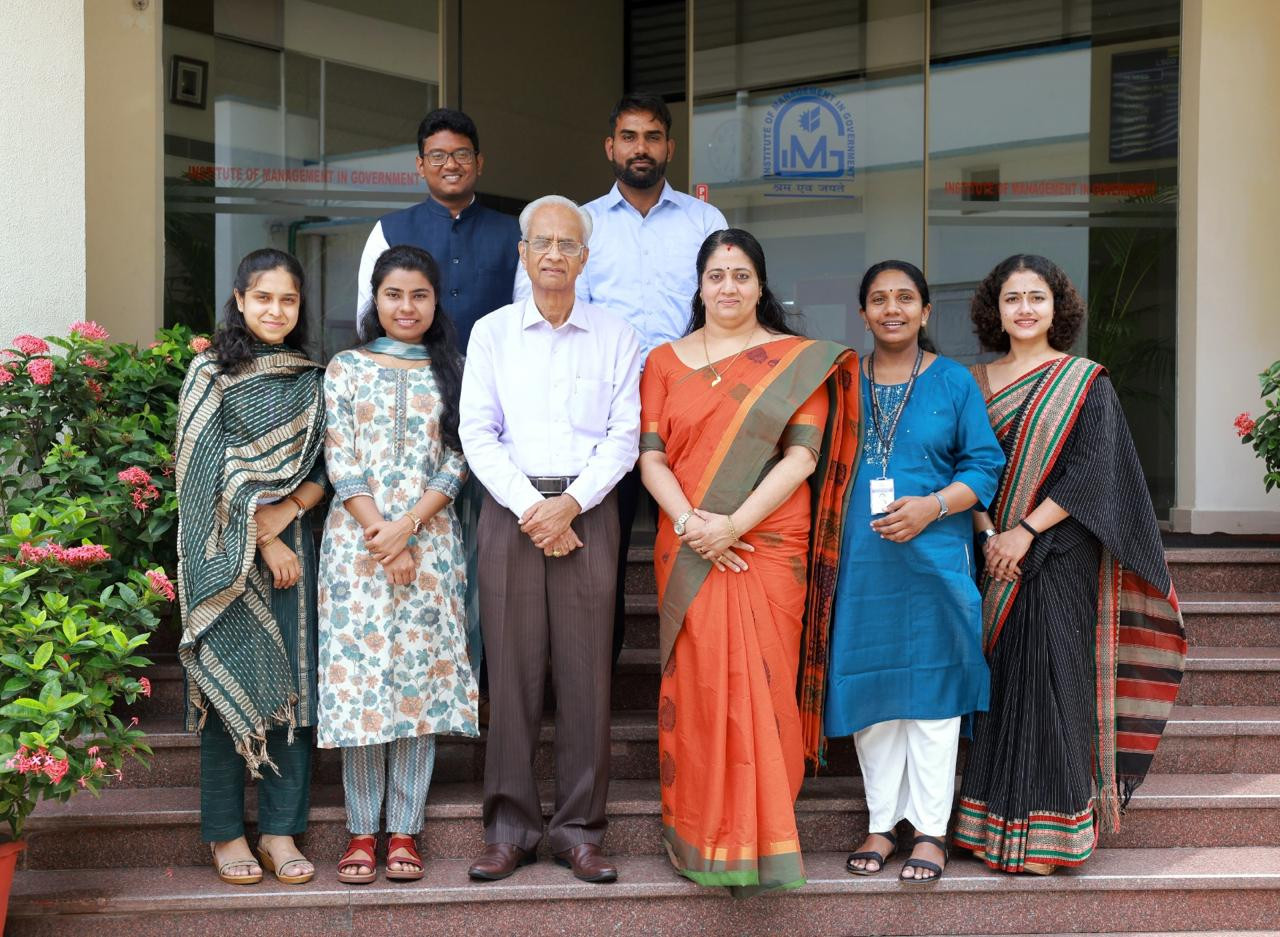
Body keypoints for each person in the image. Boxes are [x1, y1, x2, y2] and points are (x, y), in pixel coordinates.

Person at [638, 228, 860, 895]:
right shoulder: (664, 361)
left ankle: (763, 836)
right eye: (717, 275)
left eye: (741, 275)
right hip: (687, 539)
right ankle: (705, 834)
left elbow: (802, 457)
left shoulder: (795, 360)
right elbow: (650, 458)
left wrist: (733, 524)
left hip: (767, 539)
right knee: (701, 687)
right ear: (699, 285)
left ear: (761, 285)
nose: (728, 287)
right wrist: (692, 523)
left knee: (765, 681)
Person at [953, 254, 1186, 874]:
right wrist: (989, 534)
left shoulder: (1084, 381)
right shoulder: (972, 382)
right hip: (990, 550)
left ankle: (1051, 835)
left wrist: (1025, 532)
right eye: (1012, 298)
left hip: (1058, 548)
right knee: (999, 685)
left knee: (1053, 682)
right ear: (995, 310)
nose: (1024, 309)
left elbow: (1092, 470)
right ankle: (987, 826)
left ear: (1058, 308)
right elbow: (963, 466)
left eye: (1037, 297)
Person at [460, 195, 642, 884]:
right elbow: (478, 432)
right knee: (510, 672)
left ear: (585, 257)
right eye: (544, 242)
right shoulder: (493, 333)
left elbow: (624, 435)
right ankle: (509, 829)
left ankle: (579, 831)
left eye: (569, 244)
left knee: (586, 674)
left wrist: (568, 505)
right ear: (524, 253)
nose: (556, 254)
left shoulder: (617, 335)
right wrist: (533, 508)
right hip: (512, 509)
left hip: (587, 509)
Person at [517, 92, 727, 666]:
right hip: (601, 413)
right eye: (629, 137)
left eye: (652, 137)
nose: (641, 148)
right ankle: (598, 681)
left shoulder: (704, 222)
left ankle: (691, 677)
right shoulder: (577, 226)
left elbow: (724, 307)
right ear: (610, 147)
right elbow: (544, 315)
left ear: (670, 148)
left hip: (687, 408)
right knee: (599, 560)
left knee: (691, 543)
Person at [822, 261, 1005, 884]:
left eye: (905, 298)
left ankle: (930, 829)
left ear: (925, 312)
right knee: (872, 689)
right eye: (879, 299)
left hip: (935, 559)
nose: (892, 308)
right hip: (863, 562)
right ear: (863, 313)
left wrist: (932, 506)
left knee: (934, 691)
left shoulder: (954, 381)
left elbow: (983, 466)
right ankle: (882, 822)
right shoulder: (843, 380)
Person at [318, 245, 478, 884]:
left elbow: (460, 459)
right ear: (375, 300)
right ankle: (362, 831)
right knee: (362, 686)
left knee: (416, 684)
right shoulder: (346, 367)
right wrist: (382, 535)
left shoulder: (455, 369)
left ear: (435, 302)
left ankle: (405, 830)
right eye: (393, 294)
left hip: (430, 546)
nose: (406, 307)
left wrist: (408, 528)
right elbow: (340, 457)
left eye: (419, 295)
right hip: (356, 551)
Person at [175, 248, 327, 887]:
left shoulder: (309, 378)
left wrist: (285, 515)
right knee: (226, 686)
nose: (275, 310)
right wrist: (263, 539)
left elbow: (325, 471)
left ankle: (279, 832)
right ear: (239, 300)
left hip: (297, 552)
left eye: (288, 299)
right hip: (222, 554)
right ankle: (226, 834)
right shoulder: (210, 373)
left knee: (292, 687)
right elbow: (200, 469)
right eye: (263, 298)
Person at [357, 108, 520, 351]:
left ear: (479, 163)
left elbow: (527, 314)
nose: (451, 165)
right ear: (420, 166)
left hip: (492, 371)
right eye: (437, 156)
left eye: (462, 154)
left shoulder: (514, 234)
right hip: (407, 369)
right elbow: (366, 317)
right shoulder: (388, 230)